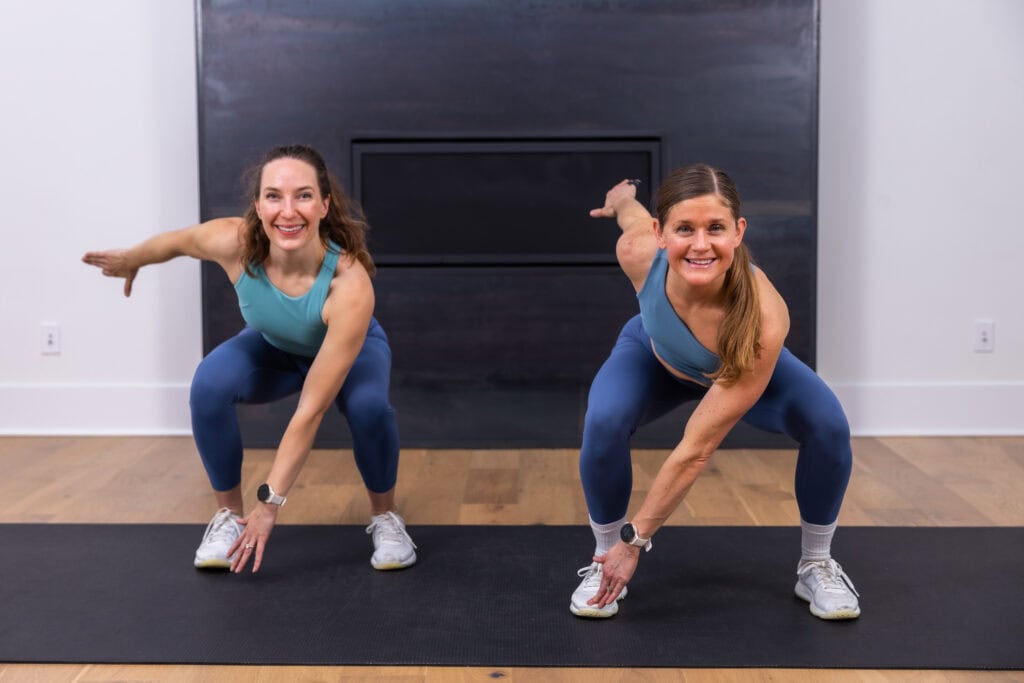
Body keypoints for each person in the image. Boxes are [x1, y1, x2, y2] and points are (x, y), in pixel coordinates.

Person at [83, 144, 416, 574]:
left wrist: (270, 504)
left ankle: (385, 517)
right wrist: (132, 259)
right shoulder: (235, 242)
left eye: (303, 195)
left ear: (324, 205)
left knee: (369, 407)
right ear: (257, 205)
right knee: (209, 384)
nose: (288, 211)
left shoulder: (348, 285)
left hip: (350, 352)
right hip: (275, 347)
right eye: (274, 196)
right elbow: (178, 241)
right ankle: (227, 518)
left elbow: (310, 410)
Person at [570, 165, 859, 620]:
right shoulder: (637, 251)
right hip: (652, 358)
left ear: (738, 231)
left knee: (827, 425)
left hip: (742, 368)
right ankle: (603, 562)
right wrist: (621, 198)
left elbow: (696, 448)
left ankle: (816, 563)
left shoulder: (763, 318)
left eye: (716, 228)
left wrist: (637, 539)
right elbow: (631, 214)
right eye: (684, 228)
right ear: (659, 234)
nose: (701, 244)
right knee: (603, 420)